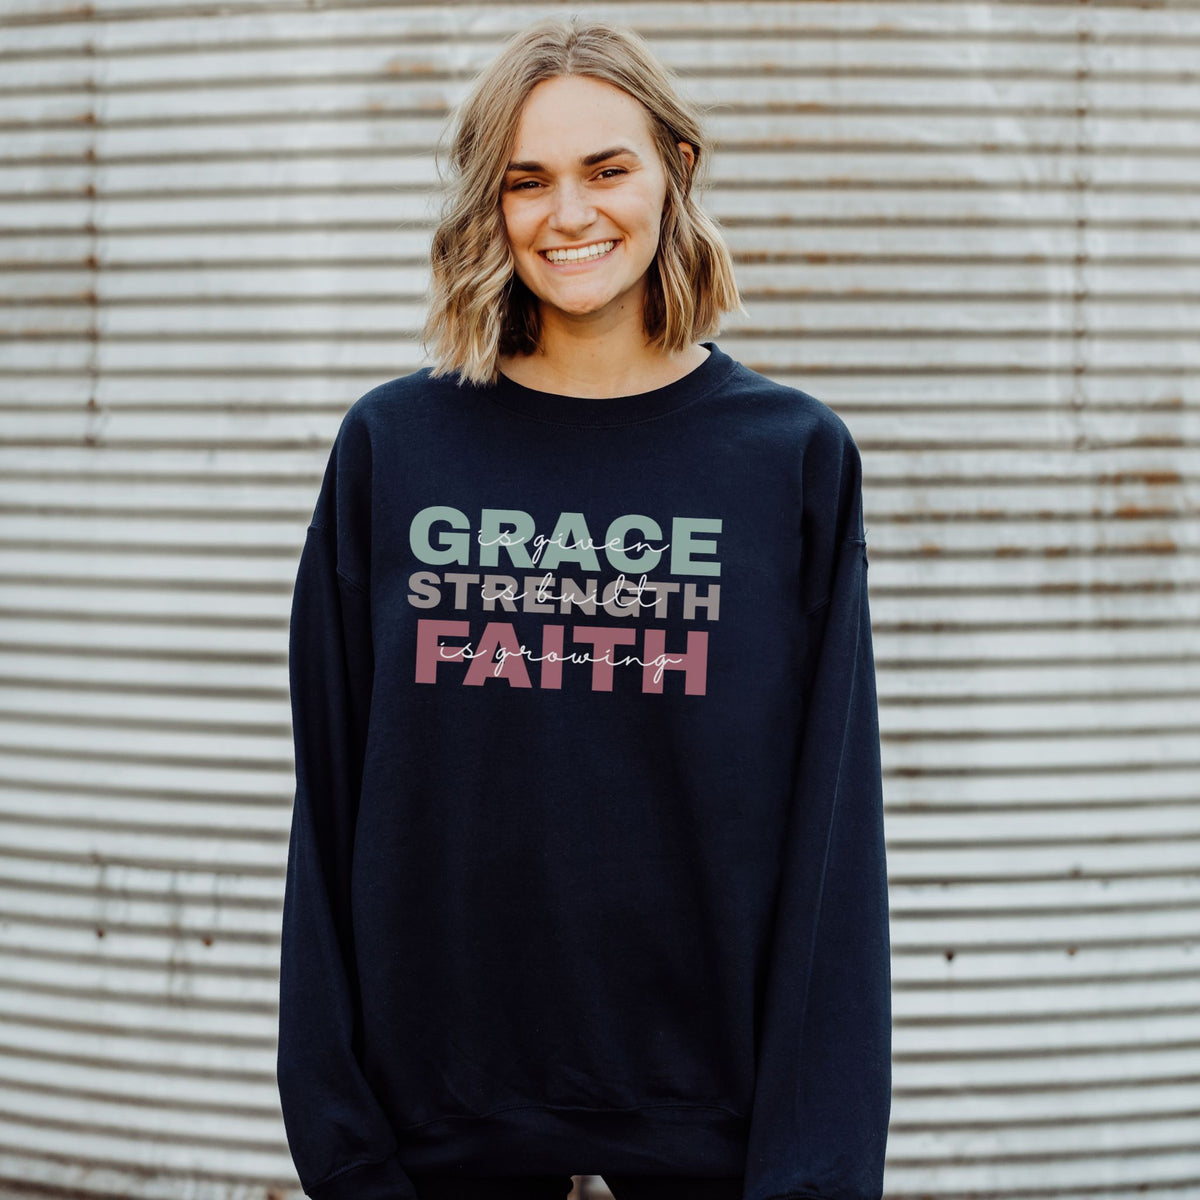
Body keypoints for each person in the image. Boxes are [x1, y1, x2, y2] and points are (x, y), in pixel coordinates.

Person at [276, 15, 891, 1200]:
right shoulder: (393, 449)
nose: (570, 215)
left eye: (607, 168)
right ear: (487, 207)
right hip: (436, 1134)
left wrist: (813, 1171)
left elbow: (833, 844)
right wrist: (348, 1148)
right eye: (527, 181)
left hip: (709, 1132)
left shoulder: (791, 459)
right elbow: (332, 804)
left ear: (676, 169)